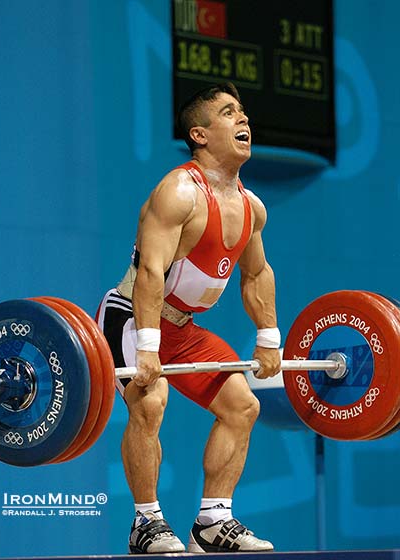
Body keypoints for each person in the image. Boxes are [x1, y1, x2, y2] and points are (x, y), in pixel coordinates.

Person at [96, 82, 281, 554]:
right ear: (199, 134)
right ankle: (146, 524)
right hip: (133, 316)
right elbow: (151, 274)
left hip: (184, 329)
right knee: (150, 401)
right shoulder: (179, 192)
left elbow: (256, 274)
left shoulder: (252, 207)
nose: (243, 120)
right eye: (228, 113)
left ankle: (213, 523)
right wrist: (149, 350)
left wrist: (268, 337)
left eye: (243, 112)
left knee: (243, 407)